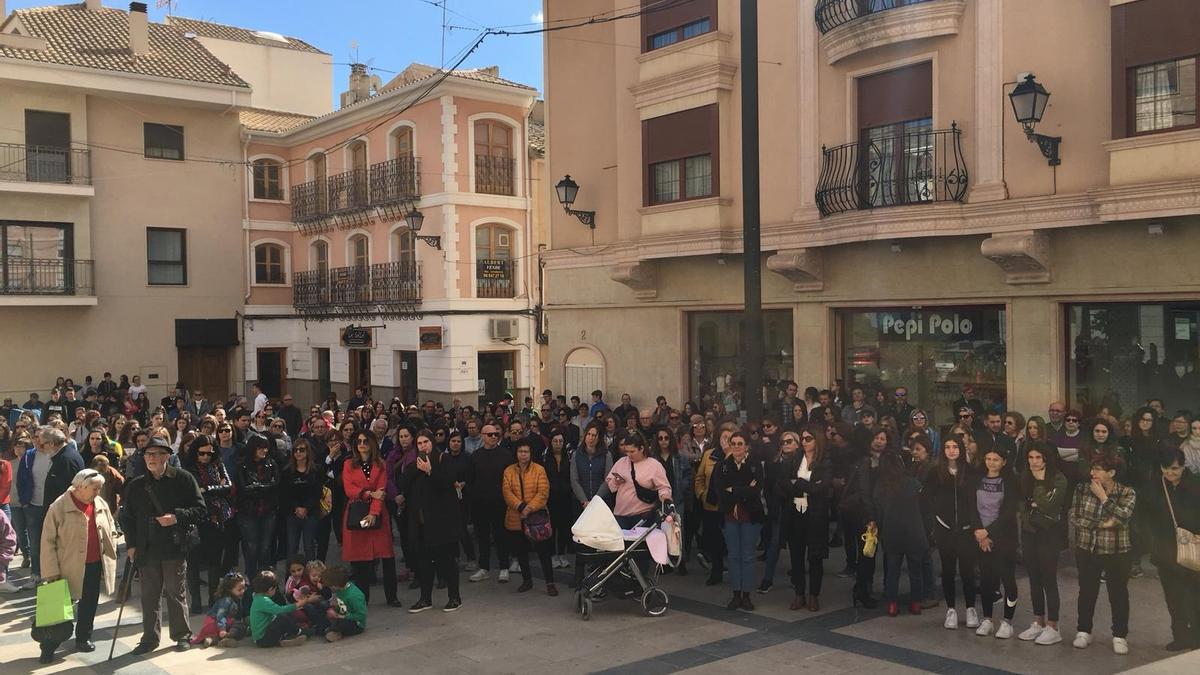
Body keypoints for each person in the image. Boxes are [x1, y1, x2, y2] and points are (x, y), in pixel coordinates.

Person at [123, 437, 207, 655]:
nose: (151, 458)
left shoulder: (183, 479)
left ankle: (182, 635)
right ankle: (149, 638)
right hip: (146, 548)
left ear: (167, 456)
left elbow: (200, 510)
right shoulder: (136, 485)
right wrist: (131, 545)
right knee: (149, 596)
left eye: (156, 454)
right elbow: (127, 517)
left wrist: (177, 517)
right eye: (148, 454)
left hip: (173, 546)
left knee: (175, 593)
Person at [35, 469, 118, 663]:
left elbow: (111, 525)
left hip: (94, 563)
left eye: (100, 488)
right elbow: (47, 542)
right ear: (80, 487)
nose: (98, 491)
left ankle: (83, 638)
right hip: (66, 568)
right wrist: (50, 571)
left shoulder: (100, 503)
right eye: (95, 488)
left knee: (89, 603)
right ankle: (48, 646)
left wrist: (112, 543)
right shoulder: (59, 506)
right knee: (58, 609)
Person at [1070, 451, 1137, 655]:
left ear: (1112, 472)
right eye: (1092, 469)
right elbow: (1074, 515)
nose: (1093, 473)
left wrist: (1104, 498)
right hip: (1087, 547)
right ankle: (1083, 631)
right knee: (1086, 591)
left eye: (1098, 469)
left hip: (1116, 550)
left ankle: (1119, 635)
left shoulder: (1127, 492)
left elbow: (1124, 516)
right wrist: (1103, 524)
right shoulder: (1082, 489)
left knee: (1118, 593)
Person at [397, 431, 464, 613]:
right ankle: (425, 599)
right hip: (420, 522)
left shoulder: (443, 459)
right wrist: (417, 471)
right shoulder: (414, 463)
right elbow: (403, 482)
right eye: (419, 443)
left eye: (426, 442)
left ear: (432, 442)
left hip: (442, 522)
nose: (423, 446)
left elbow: (447, 482)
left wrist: (430, 471)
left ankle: (454, 597)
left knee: (447, 561)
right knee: (424, 562)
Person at [1143, 448, 1200, 651]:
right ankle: (1180, 636)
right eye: (1166, 468)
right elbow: (1146, 514)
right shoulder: (1155, 486)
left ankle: (1197, 636)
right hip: (1165, 550)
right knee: (1173, 597)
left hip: (1192, 548)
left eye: (1175, 468)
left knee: (1194, 595)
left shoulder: (1195, 486)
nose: (1170, 473)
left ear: (1183, 466)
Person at [16, 425, 85, 581]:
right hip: (53, 513)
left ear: (52, 444)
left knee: (63, 558)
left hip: (65, 518)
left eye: (43, 444)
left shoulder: (65, 460)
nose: (40, 447)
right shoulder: (62, 457)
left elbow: (67, 494)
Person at [341, 431, 401, 606]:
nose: (361, 444)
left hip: (377, 514)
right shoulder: (348, 464)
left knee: (387, 558)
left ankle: (392, 596)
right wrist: (368, 493)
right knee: (360, 562)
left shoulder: (380, 465)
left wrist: (373, 514)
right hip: (357, 513)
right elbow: (349, 489)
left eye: (365, 441)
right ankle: (362, 598)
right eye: (358, 441)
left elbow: (381, 492)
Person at [1017, 441, 1068, 645]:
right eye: (1031, 457)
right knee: (1034, 579)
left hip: (1049, 533)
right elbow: (1020, 503)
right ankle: (1038, 621)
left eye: (1038, 457)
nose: (1034, 462)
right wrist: (1032, 504)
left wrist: (1038, 486)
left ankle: (1053, 625)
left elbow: (1048, 505)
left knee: (1048, 579)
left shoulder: (1058, 478)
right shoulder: (1024, 476)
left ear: (1046, 458)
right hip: (1029, 531)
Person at [776, 428, 831, 611]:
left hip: (815, 514)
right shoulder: (793, 460)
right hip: (795, 512)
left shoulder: (824, 462)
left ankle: (814, 594)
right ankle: (799, 593)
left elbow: (822, 488)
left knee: (815, 556)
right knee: (796, 555)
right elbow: (783, 484)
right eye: (804, 438)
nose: (805, 441)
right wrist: (806, 487)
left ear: (817, 440)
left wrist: (799, 483)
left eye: (809, 438)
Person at [712, 430, 764, 611]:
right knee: (733, 556)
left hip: (750, 516)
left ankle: (747, 595)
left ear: (747, 446)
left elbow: (756, 490)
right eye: (733, 444)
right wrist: (743, 490)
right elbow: (719, 490)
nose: (736, 447)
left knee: (748, 556)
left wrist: (733, 490)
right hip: (729, 516)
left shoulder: (755, 465)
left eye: (740, 444)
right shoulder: (723, 466)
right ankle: (735, 594)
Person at [183, 435, 235, 612]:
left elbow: (228, 486)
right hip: (196, 520)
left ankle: (213, 599)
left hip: (217, 518)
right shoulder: (188, 468)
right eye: (201, 453)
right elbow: (194, 491)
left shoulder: (218, 465)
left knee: (214, 562)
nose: (206, 457)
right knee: (193, 562)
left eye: (209, 454)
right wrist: (214, 488)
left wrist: (209, 489)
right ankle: (196, 602)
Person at [972, 446, 1019, 639]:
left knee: (1007, 578)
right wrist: (980, 533)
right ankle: (987, 619)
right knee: (986, 579)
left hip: (1003, 537)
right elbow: (971, 506)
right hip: (981, 536)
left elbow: (1008, 512)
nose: (991, 462)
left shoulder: (1010, 482)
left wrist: (988, 532)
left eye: (996, 459)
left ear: (1004, 462)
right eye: (988, 458)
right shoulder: (977, 479)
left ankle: (1007, 621)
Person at [842, 428, 889, 609]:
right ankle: (862, 590)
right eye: (876, 438)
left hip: (880, 512)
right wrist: (870, 517)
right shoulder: (864, 462)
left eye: (882, 438)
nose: (878, 441)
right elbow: (864, 491)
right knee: (866, 553)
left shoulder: (888, 461)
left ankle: (865, 588)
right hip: (864, 515)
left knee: (870, 553)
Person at [503, 439, 557, 596]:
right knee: (520, 551)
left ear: (531, 453)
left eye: (526, 452)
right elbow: (507, 492)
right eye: (520, 452)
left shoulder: (539, 470)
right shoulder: (509, 471)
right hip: (515, 517)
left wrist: (529, 508)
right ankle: (527, 580)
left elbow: (543, 492)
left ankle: (550, 582)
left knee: (544, 552)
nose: (523, 455)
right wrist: (521, 507)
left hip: (536, 518)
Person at [467, 424, 515, 584]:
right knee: (482, 537)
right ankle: (484, 567)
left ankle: (504, 567)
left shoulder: (506, 455)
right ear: (482, 436)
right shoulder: (476, 456)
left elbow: (511, 480)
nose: (494, 437)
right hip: (480, 503)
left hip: (500, 503)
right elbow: (471, 480)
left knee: (501, 536)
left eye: (496, 434)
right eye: (490, 435)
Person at [237, 434, 280, 576]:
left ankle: (263, 577)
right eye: (260, 448)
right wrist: (264, 488)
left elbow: (276, 485)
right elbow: (244, 489)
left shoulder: (271, 463)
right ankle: (250, 576)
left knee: (265, 547)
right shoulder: (242, 465)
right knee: (251, 547)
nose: (264, 451)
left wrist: (258, 488)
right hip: (248, 511)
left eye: (266, 448)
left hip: (268, 511)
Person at [695, 424, 733, 586]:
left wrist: (730, 455)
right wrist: (702, 495)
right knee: (714, 540)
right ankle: (716, 571)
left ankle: (735, 573)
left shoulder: (738, 455)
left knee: (730, 541)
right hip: (711, 505)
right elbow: (700, 478)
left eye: (731, 438)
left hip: (731, 507)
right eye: (724, 437)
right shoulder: (709, 455)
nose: (727, 441)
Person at [282, 438, 323, 563]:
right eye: (295, 450)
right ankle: (289, 580)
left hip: (311, 513)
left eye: (302, 450)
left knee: (309, 547)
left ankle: (312, 580)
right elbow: (285, 494)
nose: (298, 453)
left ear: (308, 452)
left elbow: (317, 492)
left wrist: (306, 508)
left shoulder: (316, 470)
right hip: (292, 513)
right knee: (292, 548)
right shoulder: (287, 471)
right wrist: (296, 508)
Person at [248, 570, 313, 648]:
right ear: (270, 589)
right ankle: (300, 632)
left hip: (262, 638)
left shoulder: (257, 598)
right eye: (275, 589)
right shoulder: (263, 600)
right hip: (263, 639)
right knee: (282, 617)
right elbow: (280, 610)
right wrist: (299, 604)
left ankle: (283, 641)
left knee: (284, 618)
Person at [544, 430, 576, 570]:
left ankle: (561, 554)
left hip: (565, 497)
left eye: (560, 441)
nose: (558, 444)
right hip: (550, 498)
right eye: (555, 441)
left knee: (564, 527)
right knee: (551, 527)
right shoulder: (545, 457)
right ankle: (551, 555)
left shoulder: (568, 457)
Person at [190, 572, 247, 647]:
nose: (243, 591)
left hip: (220, 624)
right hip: (215, 623)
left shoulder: (237, 598)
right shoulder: (226, 600)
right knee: (239, 626)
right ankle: (228, 637)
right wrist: (222, 629)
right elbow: (221, 615)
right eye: (239, 589)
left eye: (244, 588)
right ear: (229, 589)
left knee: (240, 626)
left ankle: (212, 639)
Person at [322, 565, 368, 641]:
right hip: (340, 615)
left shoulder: (354, 595)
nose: (329, 588)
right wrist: (333, 607)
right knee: (323, 607)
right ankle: (332, 630)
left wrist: (340, 616)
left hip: (355, 623)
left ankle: (335, 631)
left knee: (342, 624)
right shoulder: (339, 590)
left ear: (335, 585)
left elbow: (361, 615)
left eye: (330, 586)